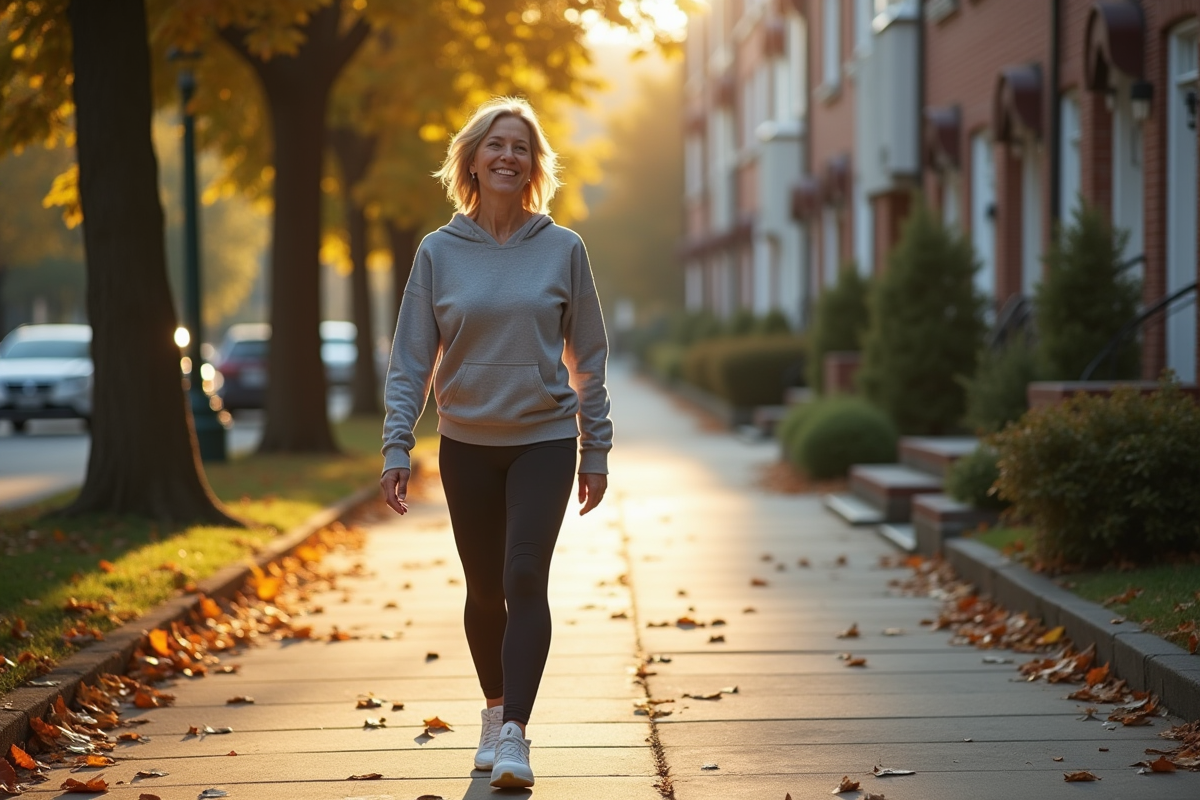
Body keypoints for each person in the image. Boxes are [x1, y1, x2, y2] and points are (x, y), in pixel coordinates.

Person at [378, 96, 613, 789]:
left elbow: (590, 357)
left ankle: (515, 735)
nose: (508, 155)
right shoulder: (438, 252)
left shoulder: (564, 248)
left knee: (521, 577)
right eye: (496, 145)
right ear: (473, 161)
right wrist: (397, 445)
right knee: (484, 589)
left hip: (543, 438)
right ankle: (491, 711)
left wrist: (594, 448)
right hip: (467, 443)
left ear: (533, 165)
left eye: (521, 147)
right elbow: (411, 358)